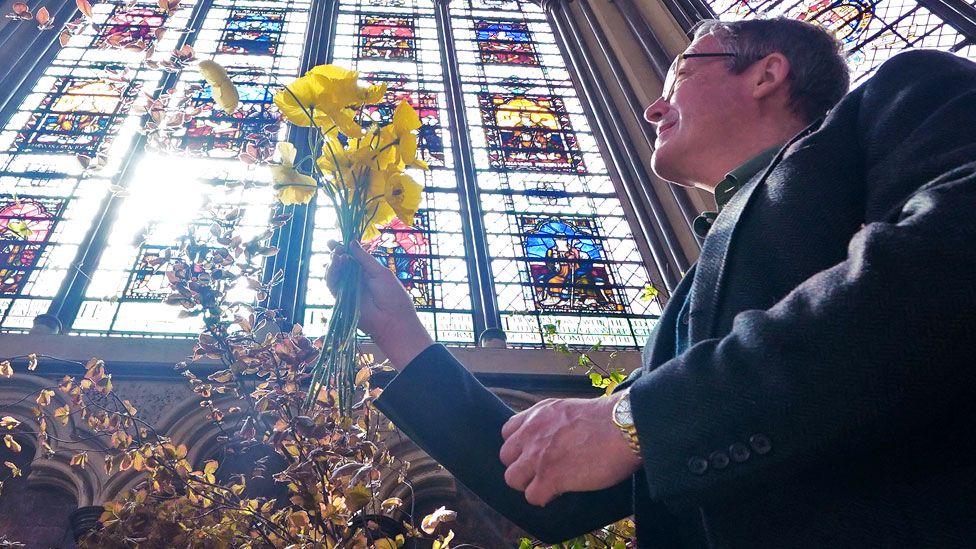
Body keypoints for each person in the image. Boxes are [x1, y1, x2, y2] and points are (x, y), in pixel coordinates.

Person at [327, 16, 976, 547]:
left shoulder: (902, 91)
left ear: (766, 73)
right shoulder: (690, 303)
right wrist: (398, 331)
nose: (652, 105)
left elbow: (948, 262)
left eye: (681, 72)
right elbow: (552, 484)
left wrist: (641, 418)